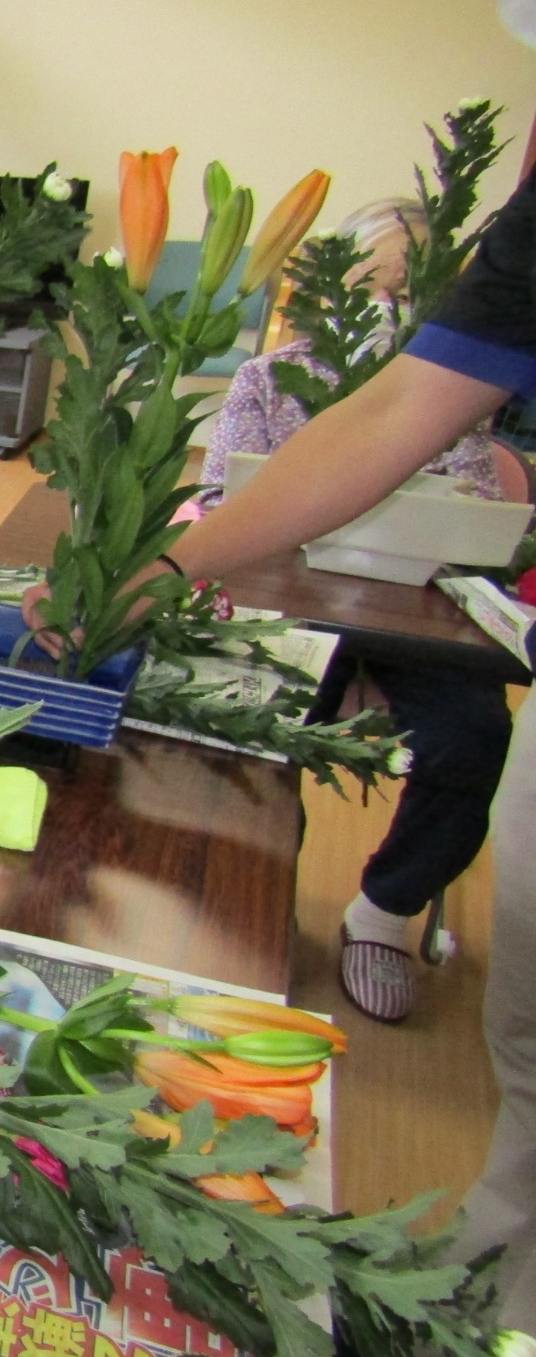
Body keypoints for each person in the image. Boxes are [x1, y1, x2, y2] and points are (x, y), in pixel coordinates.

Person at [25, 0, 536, 1340]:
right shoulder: (297, 363)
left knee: (454, 752)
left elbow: (425, 418)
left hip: (429, 611)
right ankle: (490, 1331)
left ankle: (383, 909)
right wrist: (170, 568)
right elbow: (392, 412)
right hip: (315, 604)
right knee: (528, 1046)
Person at [194, 198, 512, 1024]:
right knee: (249, 729)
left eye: (409, 296)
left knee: (473, 739)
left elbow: (478, 503)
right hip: (291, 607)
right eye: (371, 288)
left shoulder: (454, 398)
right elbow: (217, 494)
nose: (384, 311)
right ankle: (250, 898)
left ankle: (383, 915)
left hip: (414, 612)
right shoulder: (267, 379)